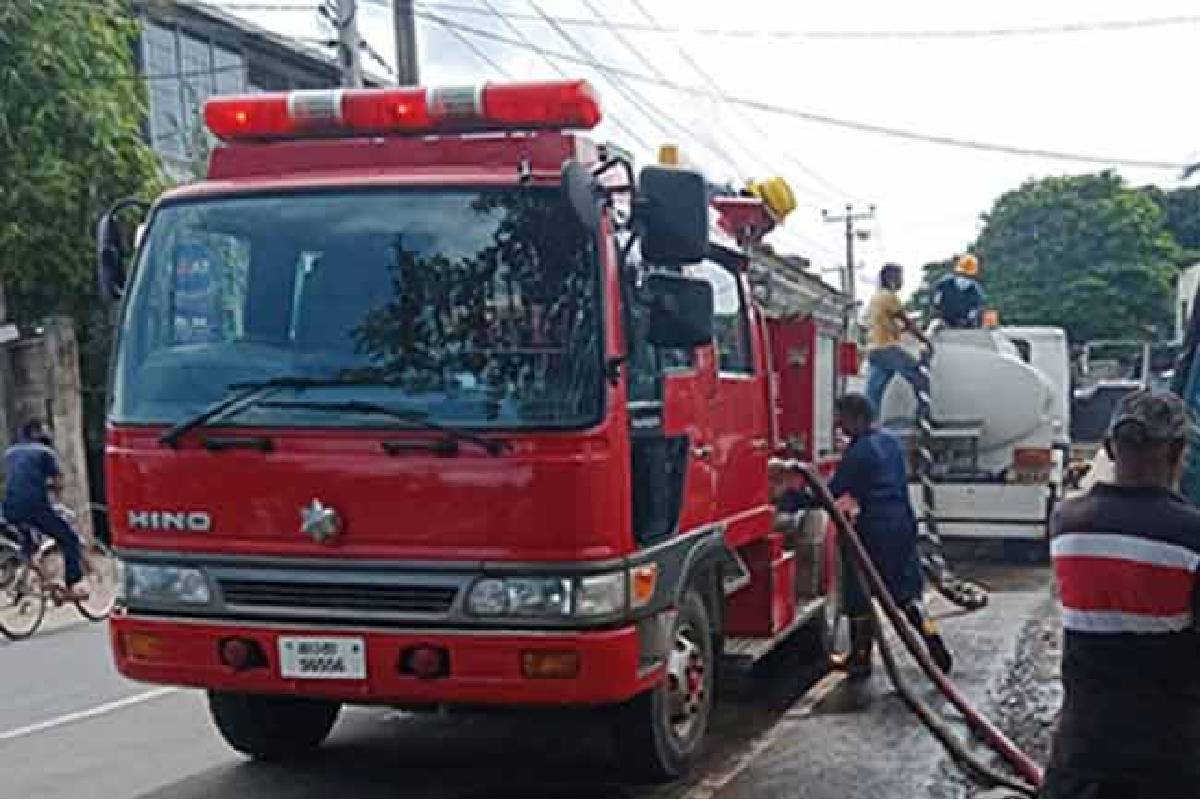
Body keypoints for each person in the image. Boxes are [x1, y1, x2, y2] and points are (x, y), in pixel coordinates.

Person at [1041, 390, 1200, 797]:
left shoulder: (1066, 524)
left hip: (1080, 754)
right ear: (1179, 450)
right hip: (1169, 760)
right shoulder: (1191, 535)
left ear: (1109, 448)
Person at [827, 393, 952, 679]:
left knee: (859, 592)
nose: (839, 424)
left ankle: (860, 659)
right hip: (903, 525)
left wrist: (787, 498)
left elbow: (831, 491)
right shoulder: (889, 442)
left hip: (874, 530)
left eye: (842, 418)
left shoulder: (859, 452)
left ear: (856, 418)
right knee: (907, 594)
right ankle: (933, 642)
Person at [2, 420, 88, 599]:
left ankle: (26, 581)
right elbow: (58, 481)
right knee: (70, 539)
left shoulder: (9, 453)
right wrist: (57, 499)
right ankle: (73, 585)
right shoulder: (45, 453)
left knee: (29, 545)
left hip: (9, 509)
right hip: (35, 507)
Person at [864, 263, 932, 415]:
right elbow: (907, 322)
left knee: (874, 391)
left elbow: (889, 324)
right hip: (887, 348)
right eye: (900, 277)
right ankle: (923, 414)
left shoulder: (877, 297)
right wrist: (926, 341)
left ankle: (869, 421)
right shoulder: (889, 297)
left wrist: (901, 330)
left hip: (874, 349)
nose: (902, 281)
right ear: (891, 278)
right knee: (919, 375)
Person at [931, 254, 986, 329]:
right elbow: (936, 305)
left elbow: (976, 310)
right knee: (935, 325)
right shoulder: (943, 285)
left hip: (965, 325)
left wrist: (968, 321)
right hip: (943, 323)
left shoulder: (975, 290)